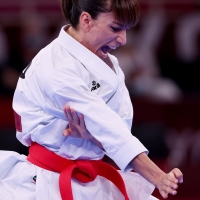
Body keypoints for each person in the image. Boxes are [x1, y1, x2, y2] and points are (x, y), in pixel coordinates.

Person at [0, 0, 183, 199]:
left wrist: (93, 137)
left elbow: (117, 132)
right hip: (48, 180)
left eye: (126, 30)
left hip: (93, 179)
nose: (123, 39)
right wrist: (158, 177)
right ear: (86, 20)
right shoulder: (55, 66)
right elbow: (106, 124)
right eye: (116, 28)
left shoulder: (110, 64)